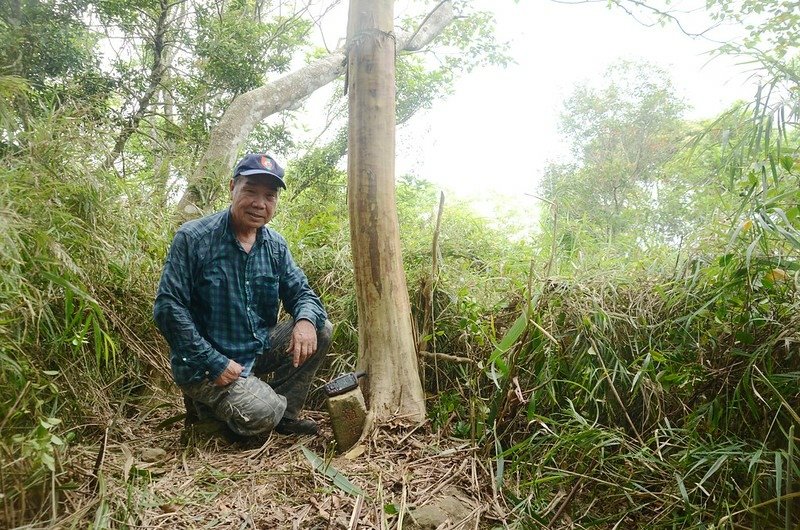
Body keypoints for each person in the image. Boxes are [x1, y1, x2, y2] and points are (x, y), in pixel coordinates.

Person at [153, 153, 331, 437]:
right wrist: (214, 362)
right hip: (206, 364)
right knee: (265, 411)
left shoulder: (275, 246)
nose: (260, 203)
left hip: (254, 350)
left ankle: (283, 416)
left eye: (269, 196)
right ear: (232, 187)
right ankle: (216, 414)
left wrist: (306, 320)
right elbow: (168, 308)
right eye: (251, 191)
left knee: (320, 329)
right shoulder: (194, 238)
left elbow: (302, 293)